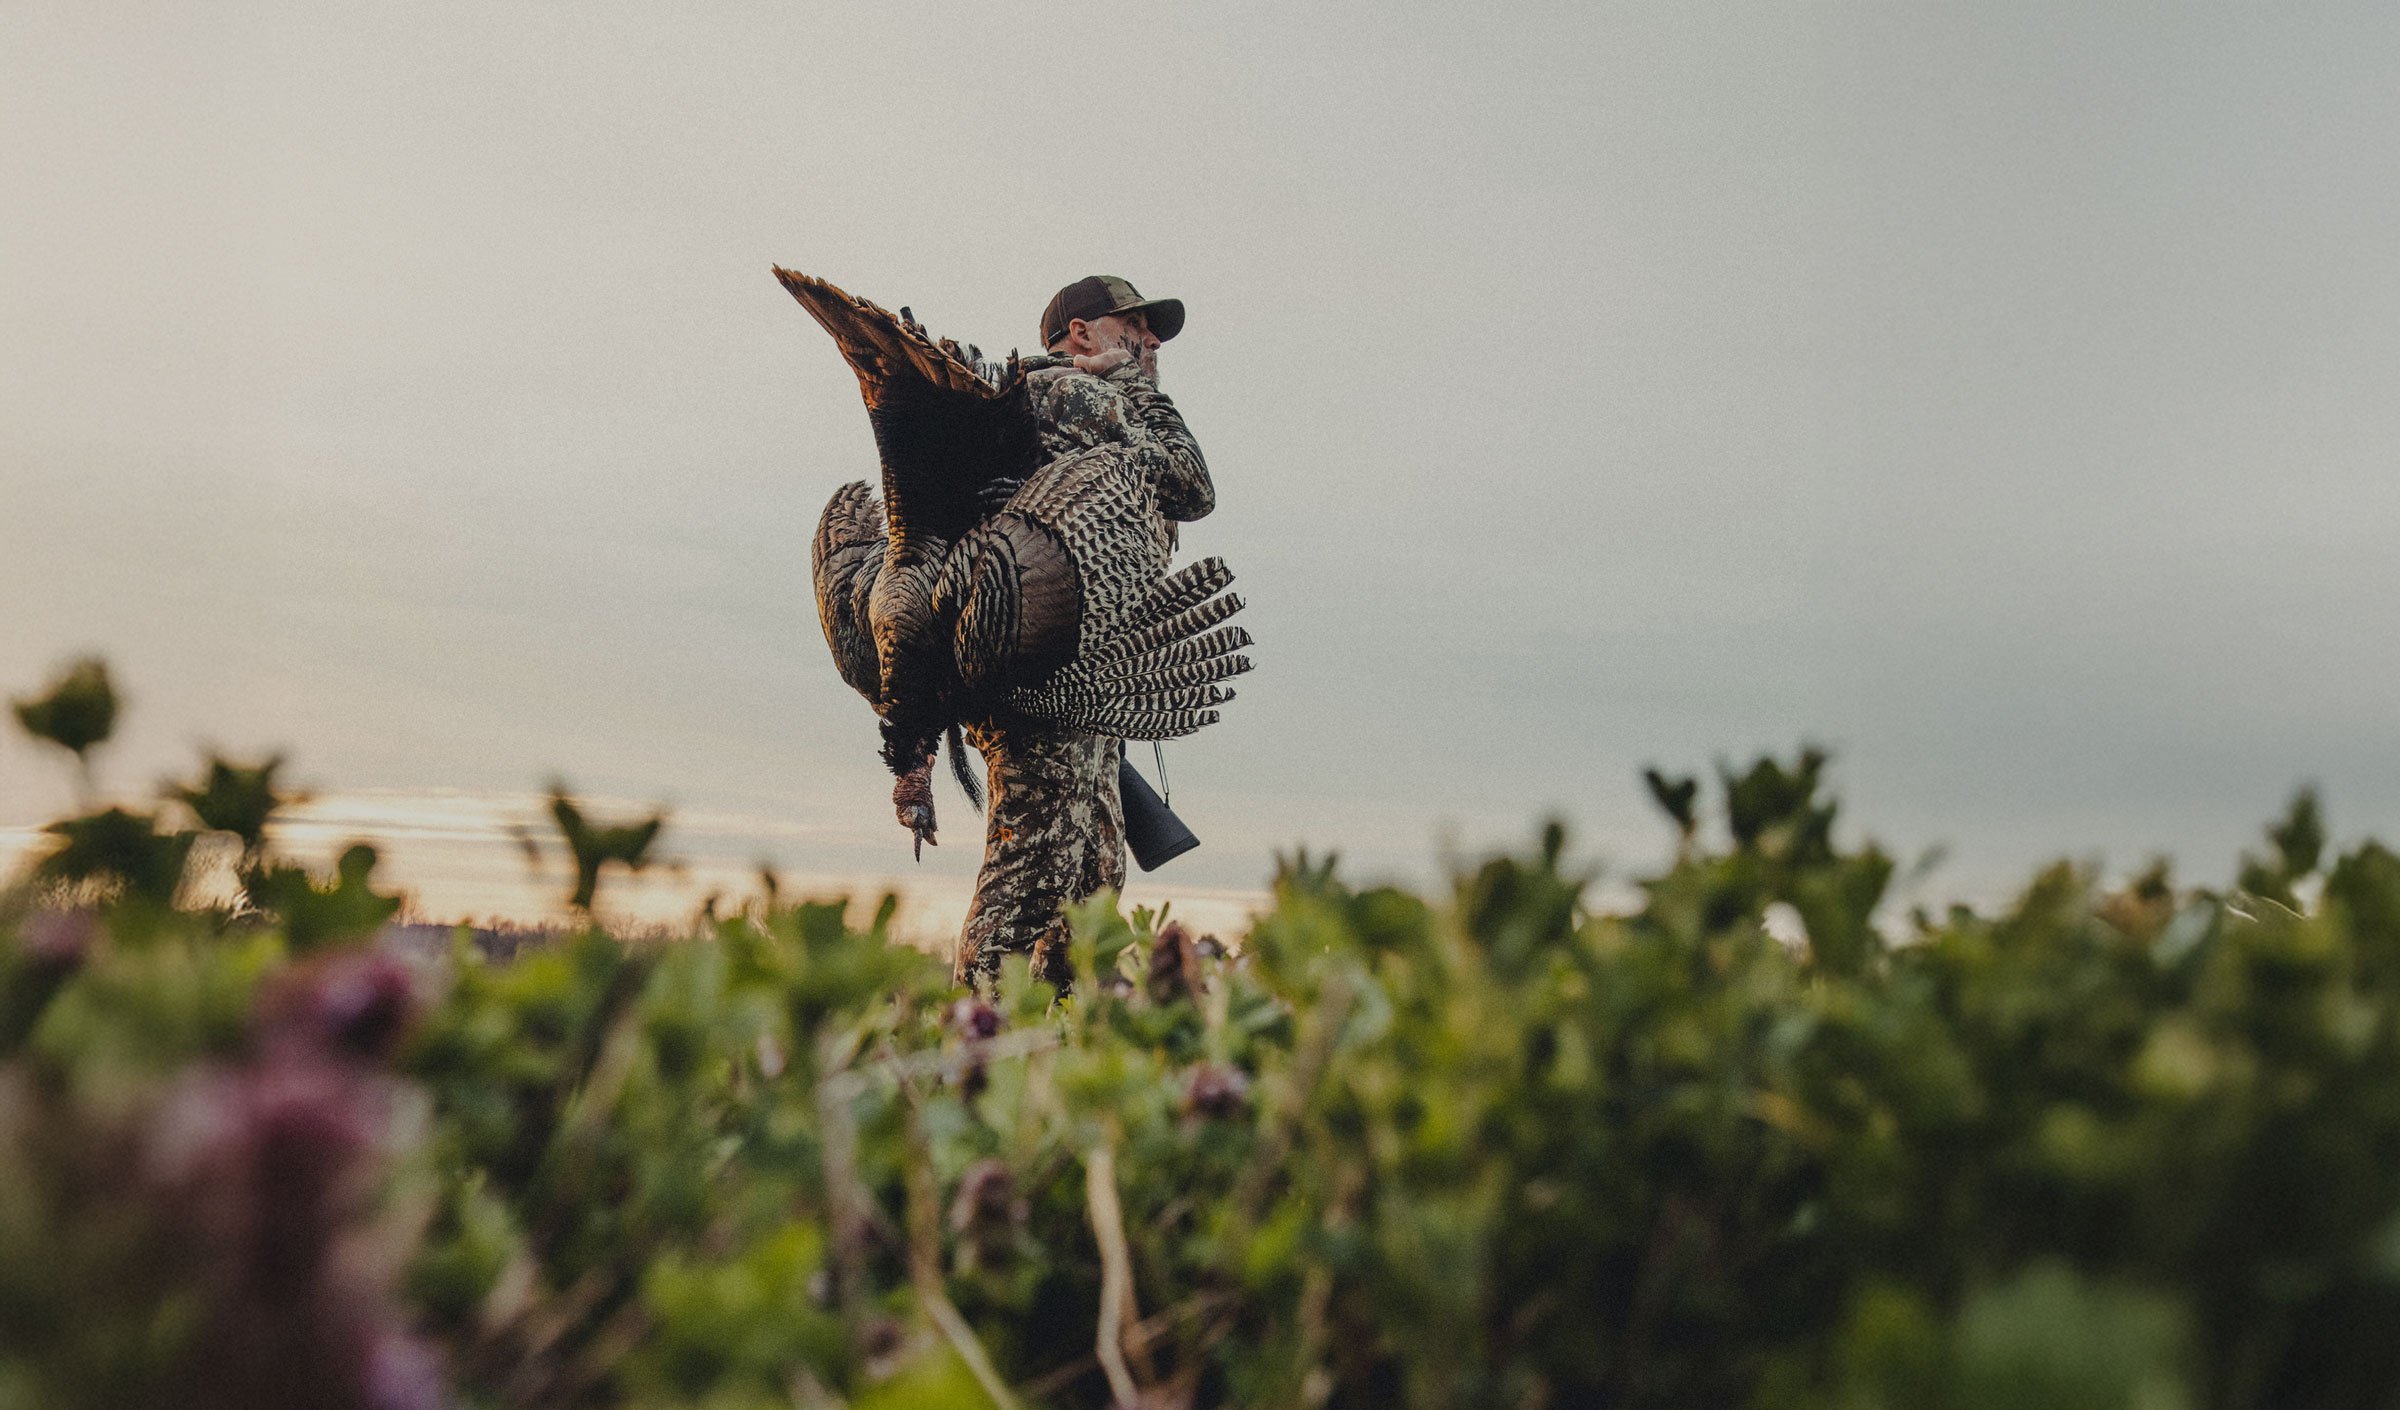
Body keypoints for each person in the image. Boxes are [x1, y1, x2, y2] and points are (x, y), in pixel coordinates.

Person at [952, 275, 1216, 993]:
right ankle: (972, 1042)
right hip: (1048, 690)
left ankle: (1056, 1043)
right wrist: (1130, 381)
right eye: (1134, 326)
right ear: (1081, 333)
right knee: (1030, 883)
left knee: (1092, 890)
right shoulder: (1070, 394)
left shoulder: (1049, 401)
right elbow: (1191, 484)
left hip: (1074, 687)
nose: (1150, 342)